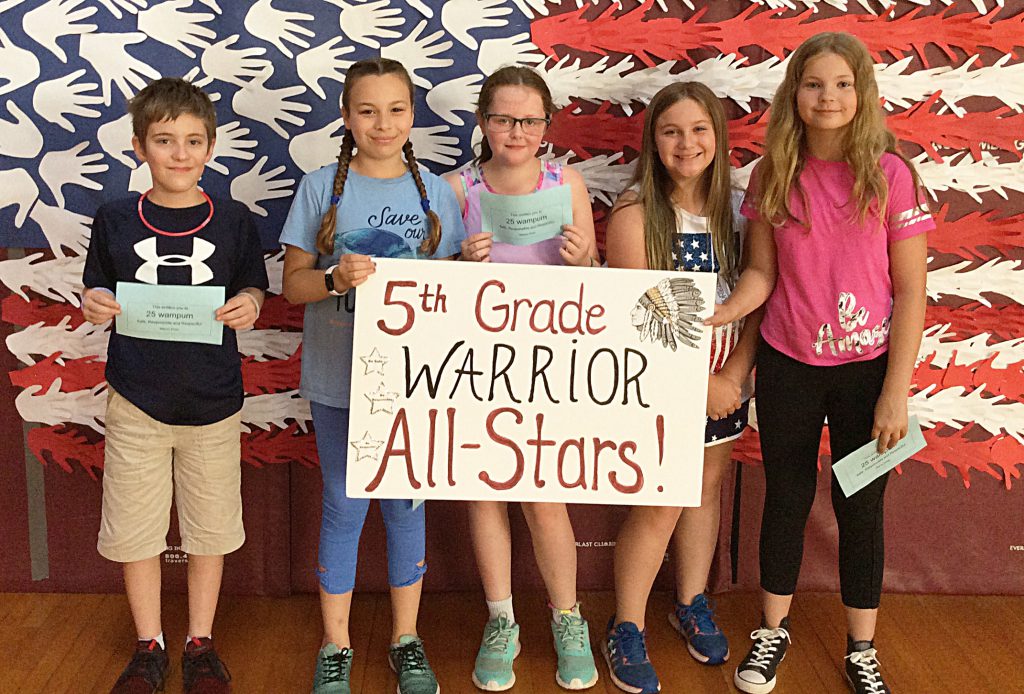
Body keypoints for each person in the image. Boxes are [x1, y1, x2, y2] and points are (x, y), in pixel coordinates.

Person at [706, 32, 932, 694]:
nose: (828, 96)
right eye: (814, 84)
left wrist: (897, 392)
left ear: (862, 93)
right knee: (787, 495)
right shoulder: (774, 175)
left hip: (868, 373)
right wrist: (722, 323)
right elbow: (760, 277)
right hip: (788, 365)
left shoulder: (891, 174)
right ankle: (772, 632)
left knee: (860, 503)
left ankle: (862, 647)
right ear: (793, 94)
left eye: (841, 84)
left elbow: (913, 290)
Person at [279, 57, 465, 694]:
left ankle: (405, 640)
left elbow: (457, 296)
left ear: (412, 116)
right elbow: (292, 286)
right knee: (344, 503)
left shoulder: (438, 193)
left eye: (395, 110)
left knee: (405, 503)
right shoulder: (317, 188)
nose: (382, 123)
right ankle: (336, 645)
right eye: (367, 110)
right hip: (338, 376)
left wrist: (471, 263)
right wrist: (334, 278)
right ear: (345, 115)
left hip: (415, 382)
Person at [82, 77, 269, 694]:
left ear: (211, 147)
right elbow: (96, 288)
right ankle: (147, 645)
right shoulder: (112, 218)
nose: (180, 154)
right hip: (135, 397)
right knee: (136, 526)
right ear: (140, 148)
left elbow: (252, 287)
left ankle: (199, 641)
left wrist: (247, 302)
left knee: (209, 526)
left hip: (213, 401)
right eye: (165, 141)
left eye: (193, 141)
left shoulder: (235, 220)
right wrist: (95, 302)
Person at [602, 81, 760, 694]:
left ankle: (690, 599)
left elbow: (757, 296)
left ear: (718, 138)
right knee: (662, 500)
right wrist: (697, 383)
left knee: (703, 490)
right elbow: (637, 317)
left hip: (726, 383)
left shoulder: (740, 208)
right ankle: (627, 624)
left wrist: (733, 375)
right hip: (663, 386)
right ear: (653, 141)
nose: (686, 142)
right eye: (671, 131)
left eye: (699, 129)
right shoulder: (636, 211)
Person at [446, 65, 600, 692]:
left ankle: (569, 619)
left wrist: (582, 255)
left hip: (552, 362)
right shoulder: (457, 187)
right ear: (483, 121)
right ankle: (501, 619)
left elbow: (593, 270)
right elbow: (433, 289)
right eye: (504, 118)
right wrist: (461, 260)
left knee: (544, 495)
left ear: (545, 128)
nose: (516, 131)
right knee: (486, 492)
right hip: (480, 361)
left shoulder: (569, 182)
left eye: (529, 120)